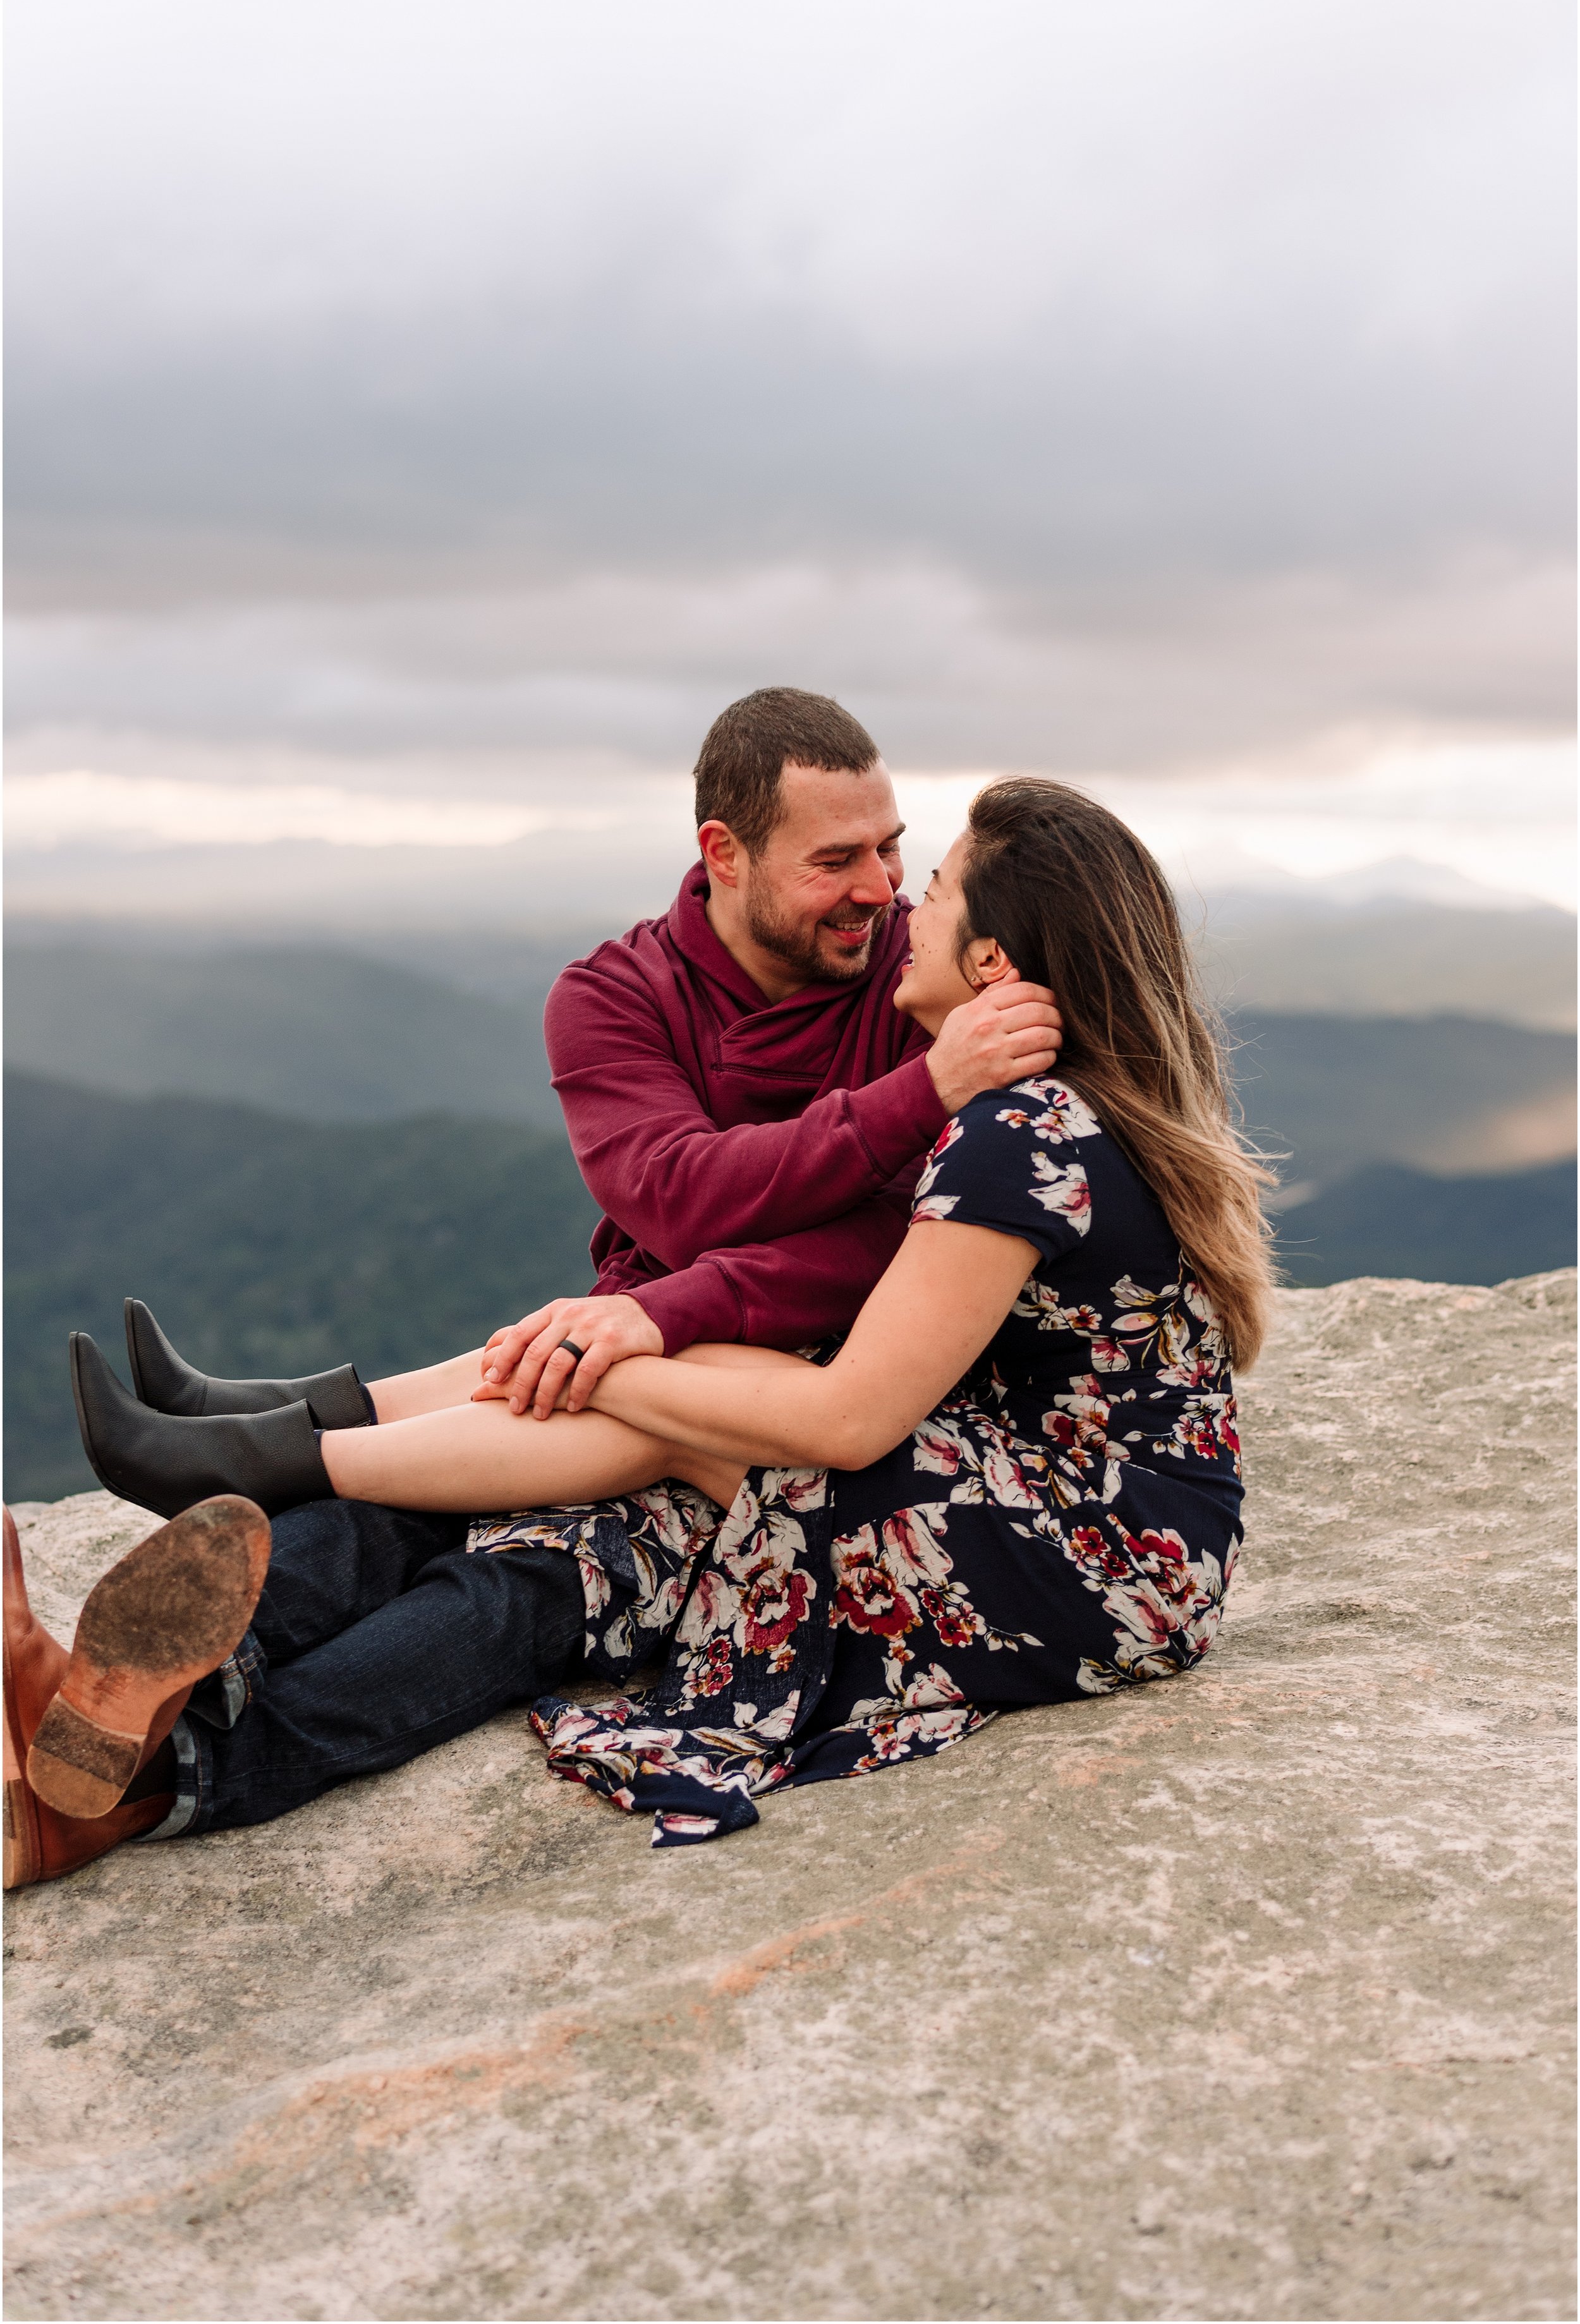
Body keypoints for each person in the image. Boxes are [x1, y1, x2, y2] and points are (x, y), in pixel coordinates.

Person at [6, 777, 1273, 1881]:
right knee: (562, 1546)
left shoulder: (1016, 1132)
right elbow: (745, 1242)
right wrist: (633, 1356)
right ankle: (123, 1744)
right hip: (1000, 1496)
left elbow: (849, 1418)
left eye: (932, 883)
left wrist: (630, 1365)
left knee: (606, 1471)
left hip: (1089, 1560)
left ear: (995, 959)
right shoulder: (1004, 1100)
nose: (902, 903)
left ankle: (168, 1708)